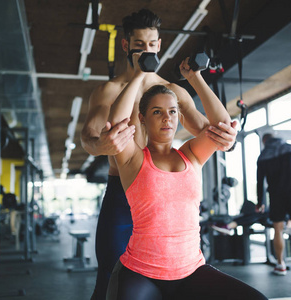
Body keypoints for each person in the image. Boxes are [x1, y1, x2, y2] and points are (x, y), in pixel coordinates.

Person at [81, 9, 238, 299]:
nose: (147, 51)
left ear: (160, 45)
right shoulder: (109, 90)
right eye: (140, 46)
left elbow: (209, 129)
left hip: (162, 193)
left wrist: (225, 137)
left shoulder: (173, 92)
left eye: (152, 45)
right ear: (127, 46)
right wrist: (103, 146)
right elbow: (88, 138)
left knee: (169, 278)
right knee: (108, 277)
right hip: (122, 192)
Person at [104, 51, 267, 299]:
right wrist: (139, 73)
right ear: (142, 118)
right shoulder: (133, 159)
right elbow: (117, 120)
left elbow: (222, 124)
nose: (166, 118)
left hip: (191, 270)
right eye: (157, 112)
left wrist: (194, 77)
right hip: (141, 272)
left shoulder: (190, 154)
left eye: (172, 111)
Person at [256, 133, 291, 276]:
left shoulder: (263, 156)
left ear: (264, 142)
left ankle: (280, 264)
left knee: (278, 230)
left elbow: (260, 181)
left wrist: (260, 201)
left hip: (275, 195)